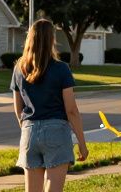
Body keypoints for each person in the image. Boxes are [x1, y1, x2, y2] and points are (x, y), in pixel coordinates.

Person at [11, 19, 90, 192]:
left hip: (29, 131)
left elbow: (18, 108)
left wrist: (27, 127)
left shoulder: (19, 68)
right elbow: (71, 110)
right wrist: (82, 144)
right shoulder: (61, 69)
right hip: (56, 131)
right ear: (51, 39)